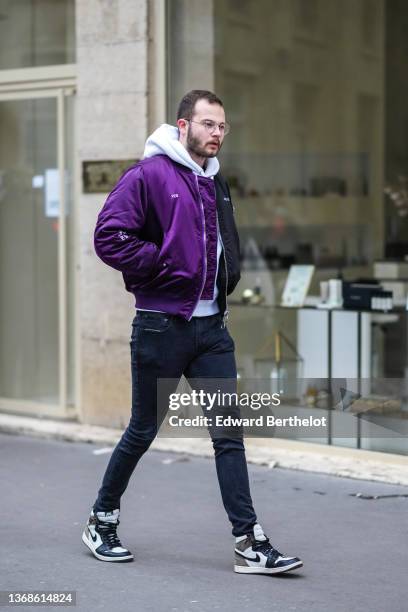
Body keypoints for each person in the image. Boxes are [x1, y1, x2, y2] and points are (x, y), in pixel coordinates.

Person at [81, 90, 303, 575]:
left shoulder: (215, 181)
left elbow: (223, 245)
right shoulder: (149, 175)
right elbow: (109, 237)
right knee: (143, 430)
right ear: (183, 126)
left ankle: (249, 541)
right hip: (162, 327)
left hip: (212, 330)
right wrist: (163, 267)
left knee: (229, 434)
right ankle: (102, 517)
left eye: (222, 126)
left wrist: (227, 279)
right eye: (207, 124)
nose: (217, 133)